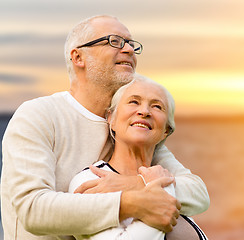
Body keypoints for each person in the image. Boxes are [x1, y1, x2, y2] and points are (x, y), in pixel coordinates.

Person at [0, 15, 209, 240]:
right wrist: (131, 202)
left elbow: (197, 193)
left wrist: (134, 184)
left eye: (131, 43)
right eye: (114, 41)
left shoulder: (129, 128)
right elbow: (33, 209)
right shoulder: (39, 115)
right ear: (78, 57)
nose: (129, 49)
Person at [68, 75, 208, 240]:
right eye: (134, 102)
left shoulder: (164, 176)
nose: (144, 111)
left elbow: (201, 197)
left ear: (166, 131)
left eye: (157, 106)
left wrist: (147, 184)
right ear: (111, 118)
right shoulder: (91, 180)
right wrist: (159, 188)